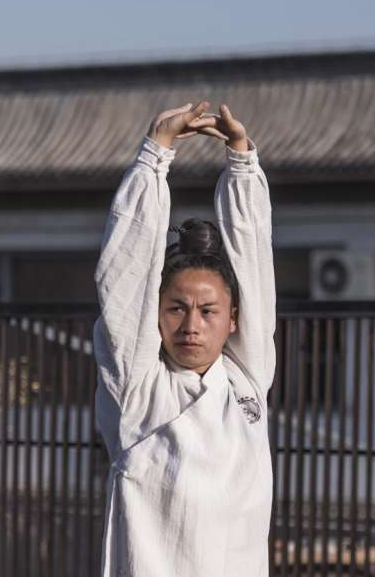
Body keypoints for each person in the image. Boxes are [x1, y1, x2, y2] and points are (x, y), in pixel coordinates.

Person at [93, 102, 277, 576]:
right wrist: (155, 153)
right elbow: (124, 280)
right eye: (176, 308)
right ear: (155, 315)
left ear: (233, 319)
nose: (191, 325)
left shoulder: (246, 380)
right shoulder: (137, 390)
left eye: (208, 311)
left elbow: (253, 259)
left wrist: (241, 159)